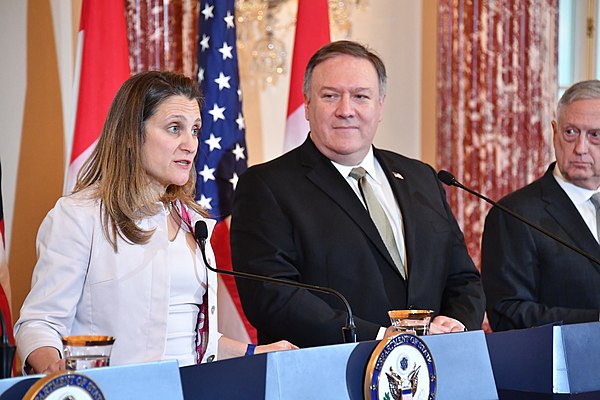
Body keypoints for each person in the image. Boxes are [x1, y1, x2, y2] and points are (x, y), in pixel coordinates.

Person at [14, 71, 295, 374]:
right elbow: (39, 323)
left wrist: (260, 352)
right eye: (175, 128)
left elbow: (195, 344)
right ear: (132, 134)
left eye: (195, 130)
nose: (190, 144)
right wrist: (56, 369)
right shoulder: (80, 216)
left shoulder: (195, 224)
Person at [230, 40, 485, 348]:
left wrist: (457, 322)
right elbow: (272, 298)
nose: (346, 110)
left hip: (431, 372)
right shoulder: (266, 186)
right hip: (332, 379)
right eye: (330, 96)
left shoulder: (422, 178)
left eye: (361, 96)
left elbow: (463, 279)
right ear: (307, 106)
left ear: (380, 106)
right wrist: (380, 338)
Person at [482, 79, 600, 331]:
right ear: (555, 131)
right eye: (571, 132)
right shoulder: (514, 214)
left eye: (595, 135)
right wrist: (595, 321)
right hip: (561, 366)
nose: (581, 148)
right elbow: (508, 313)